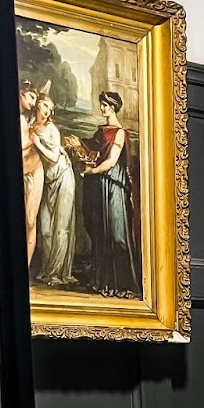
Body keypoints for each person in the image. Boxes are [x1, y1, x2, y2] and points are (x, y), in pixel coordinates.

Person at [80, 91, 139, 296]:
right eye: (102, 104)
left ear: (113, 107)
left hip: (114, 186)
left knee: (116, 234)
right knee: (102, 233)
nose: (102, 108)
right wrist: (77, 145)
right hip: (100, 186)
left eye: (105, 105)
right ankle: (104, 282)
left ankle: (122, 284)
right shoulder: (101, 132)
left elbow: (111, 161)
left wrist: (92, 171)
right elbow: (93, 150)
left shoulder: (119, 132)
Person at [31, 92, 76, 285]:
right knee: (45, 229)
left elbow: (54, 157)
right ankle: (47, 269)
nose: (48, 110)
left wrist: (37, 143)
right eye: (45, 105)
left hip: (63, 176)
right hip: (47, 181)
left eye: (50, 107)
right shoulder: (31, 126)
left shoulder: (52, 130)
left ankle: (57, 273)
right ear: (37, 105)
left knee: (61, 227)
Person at [19, 78, 43, 264]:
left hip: (34, 170)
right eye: (31, 97)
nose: (33, 102)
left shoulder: (24, 120)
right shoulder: (20, 119)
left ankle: (25, 266)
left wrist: (33, 139)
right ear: (20, 94)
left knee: (30, 219)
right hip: (23, 170)